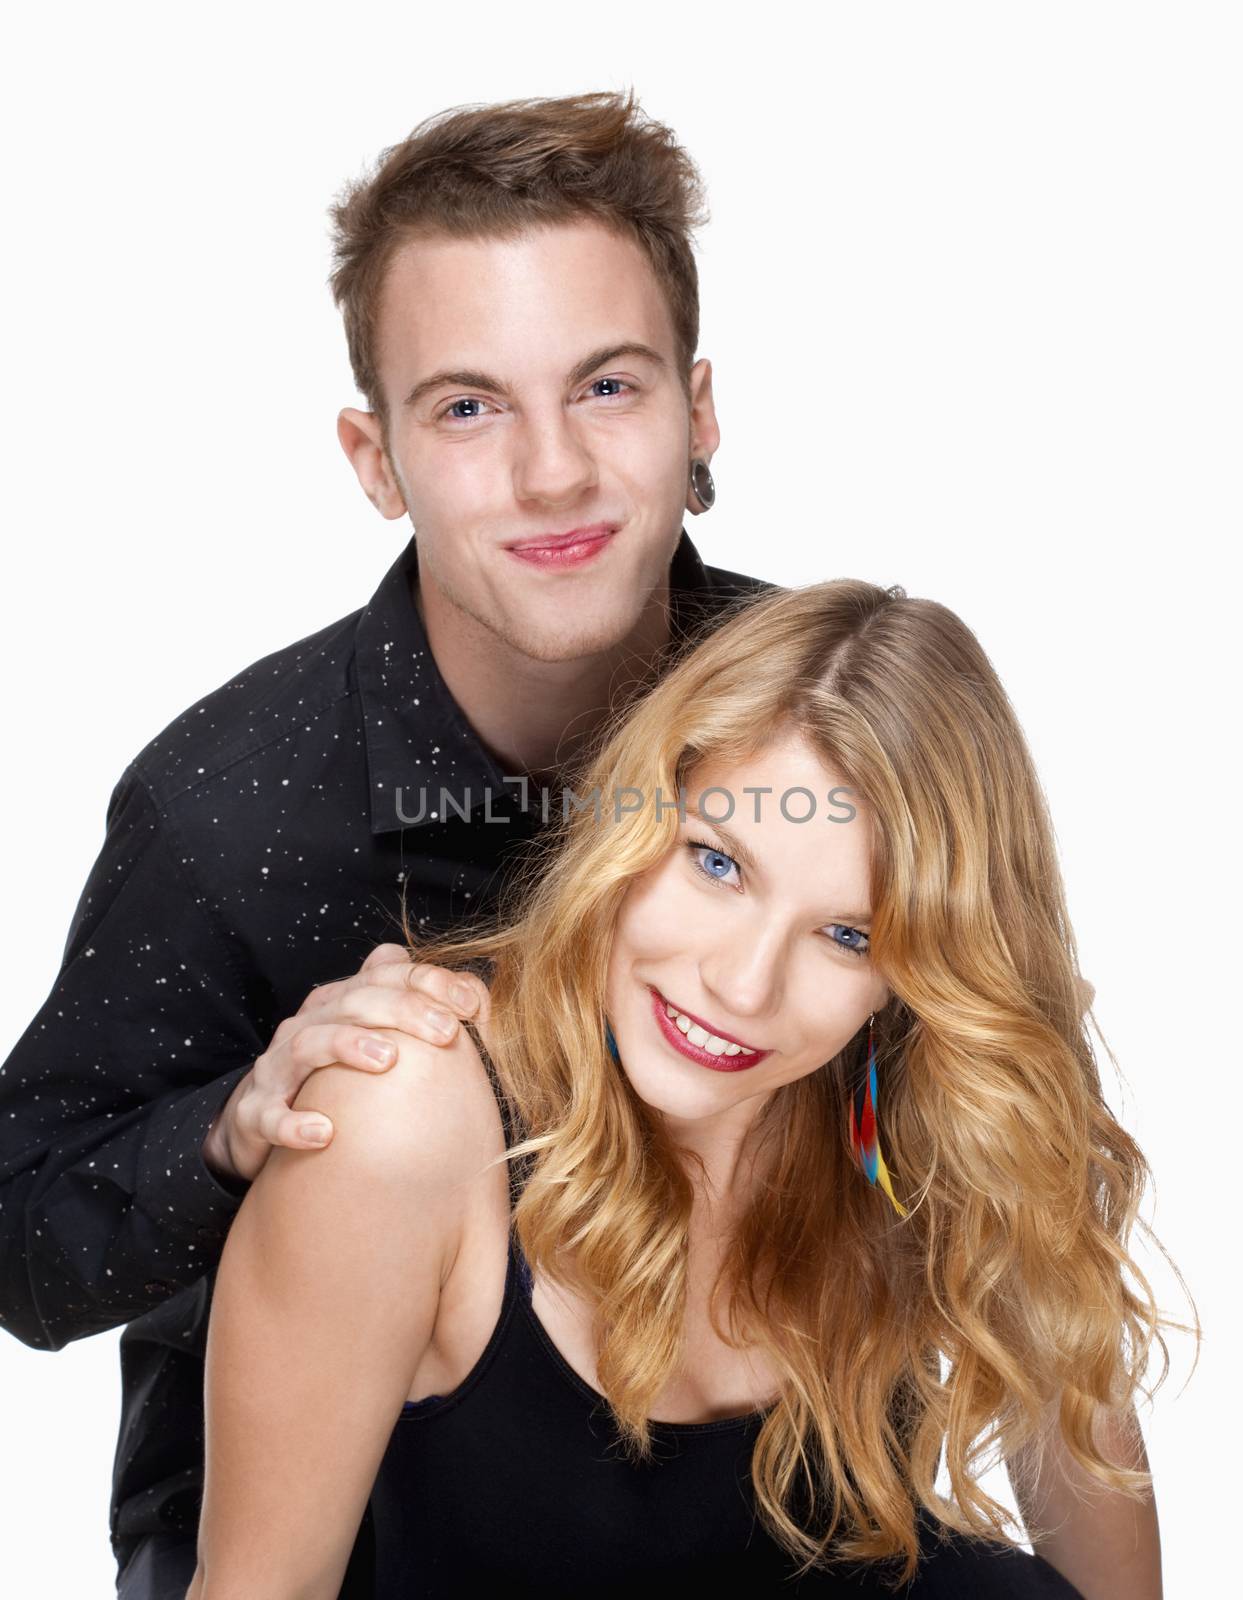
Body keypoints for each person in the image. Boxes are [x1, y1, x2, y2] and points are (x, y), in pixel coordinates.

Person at [0, 90, 759, 1598]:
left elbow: (1008, 1135)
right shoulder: (227, 802)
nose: (551, 473)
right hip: (317, 1535)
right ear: (372, 457)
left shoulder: (824, 725)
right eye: (467, 407)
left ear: (699, 412)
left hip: (720, 1485)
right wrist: (229, 1125)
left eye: (606, 388)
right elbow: (22, 1243)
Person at [187, 576, 1185, 1600]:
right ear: (634, 816)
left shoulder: (916, 1121)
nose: (742, 985)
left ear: (914, 976)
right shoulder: (412, 1111)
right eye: (716, 862)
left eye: (849, 935)